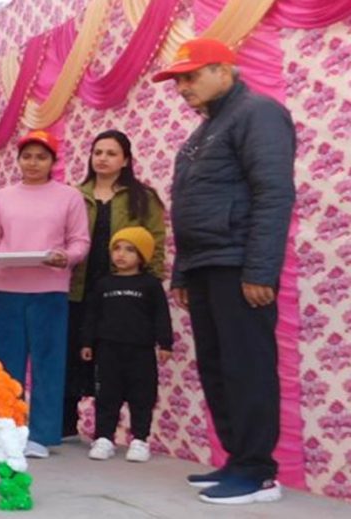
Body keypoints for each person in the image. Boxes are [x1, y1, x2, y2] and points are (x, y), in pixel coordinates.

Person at [152, 37, 296, 504]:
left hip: (239, 265)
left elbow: (274, 193)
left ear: (224, 70)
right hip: (205, 266)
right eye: (178, 80)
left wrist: (260, 269)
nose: (182, 88)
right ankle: (238, 461)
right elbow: (188, 209)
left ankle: (258, 473)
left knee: (246, 366)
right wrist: (182, 273)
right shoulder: (203, 132)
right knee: (218, 367)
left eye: (191, 76)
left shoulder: (259, 113)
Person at [0, 130, 90, 458]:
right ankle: (6, 432)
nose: (33, 163)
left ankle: (42, 435)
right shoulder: (2, 198)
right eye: (27, 156)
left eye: (41, 157)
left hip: (49, 290)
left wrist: (65, 258)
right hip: (4, 290)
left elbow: (80, 241)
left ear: (53, 161)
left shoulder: (69, 197)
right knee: (4, 366)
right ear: (19, 159)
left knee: (48, 365)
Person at [63, 130, 166, 439]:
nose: (103, 158)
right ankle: (66, 426)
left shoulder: (142, 197)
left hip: (122, 294)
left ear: (126, 160)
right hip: (77, 288)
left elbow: (156, 243)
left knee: (114, 363)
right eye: (98, 152)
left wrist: (149, 286)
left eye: (111, 153)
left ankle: (108, 433)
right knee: (72, 354)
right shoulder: (74, 195)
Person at [81, 227, 172, 462]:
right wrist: (87, 342)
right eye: (117, 248)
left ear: (142, 256)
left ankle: (140, 440)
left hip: (141, 350)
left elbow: (161, 315)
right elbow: (92, 315)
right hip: (108, 350)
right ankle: (104, 438)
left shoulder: (150, 285)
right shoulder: (103, 284)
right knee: (107, 395)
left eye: (130, 250)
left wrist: (165, 344)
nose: (121, 254)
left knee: (142, 396)